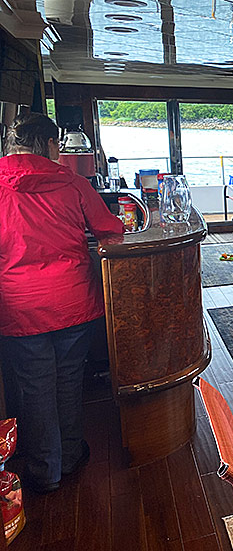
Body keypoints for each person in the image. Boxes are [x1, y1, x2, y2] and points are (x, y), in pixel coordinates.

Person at [0, 113, 124, 494]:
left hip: (19, 306)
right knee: (69, 380)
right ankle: (70, 454)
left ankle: (45, 469)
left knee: (34, 387)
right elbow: (110, 229)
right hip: (72, 300)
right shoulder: (72, 182)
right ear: (52, 145)